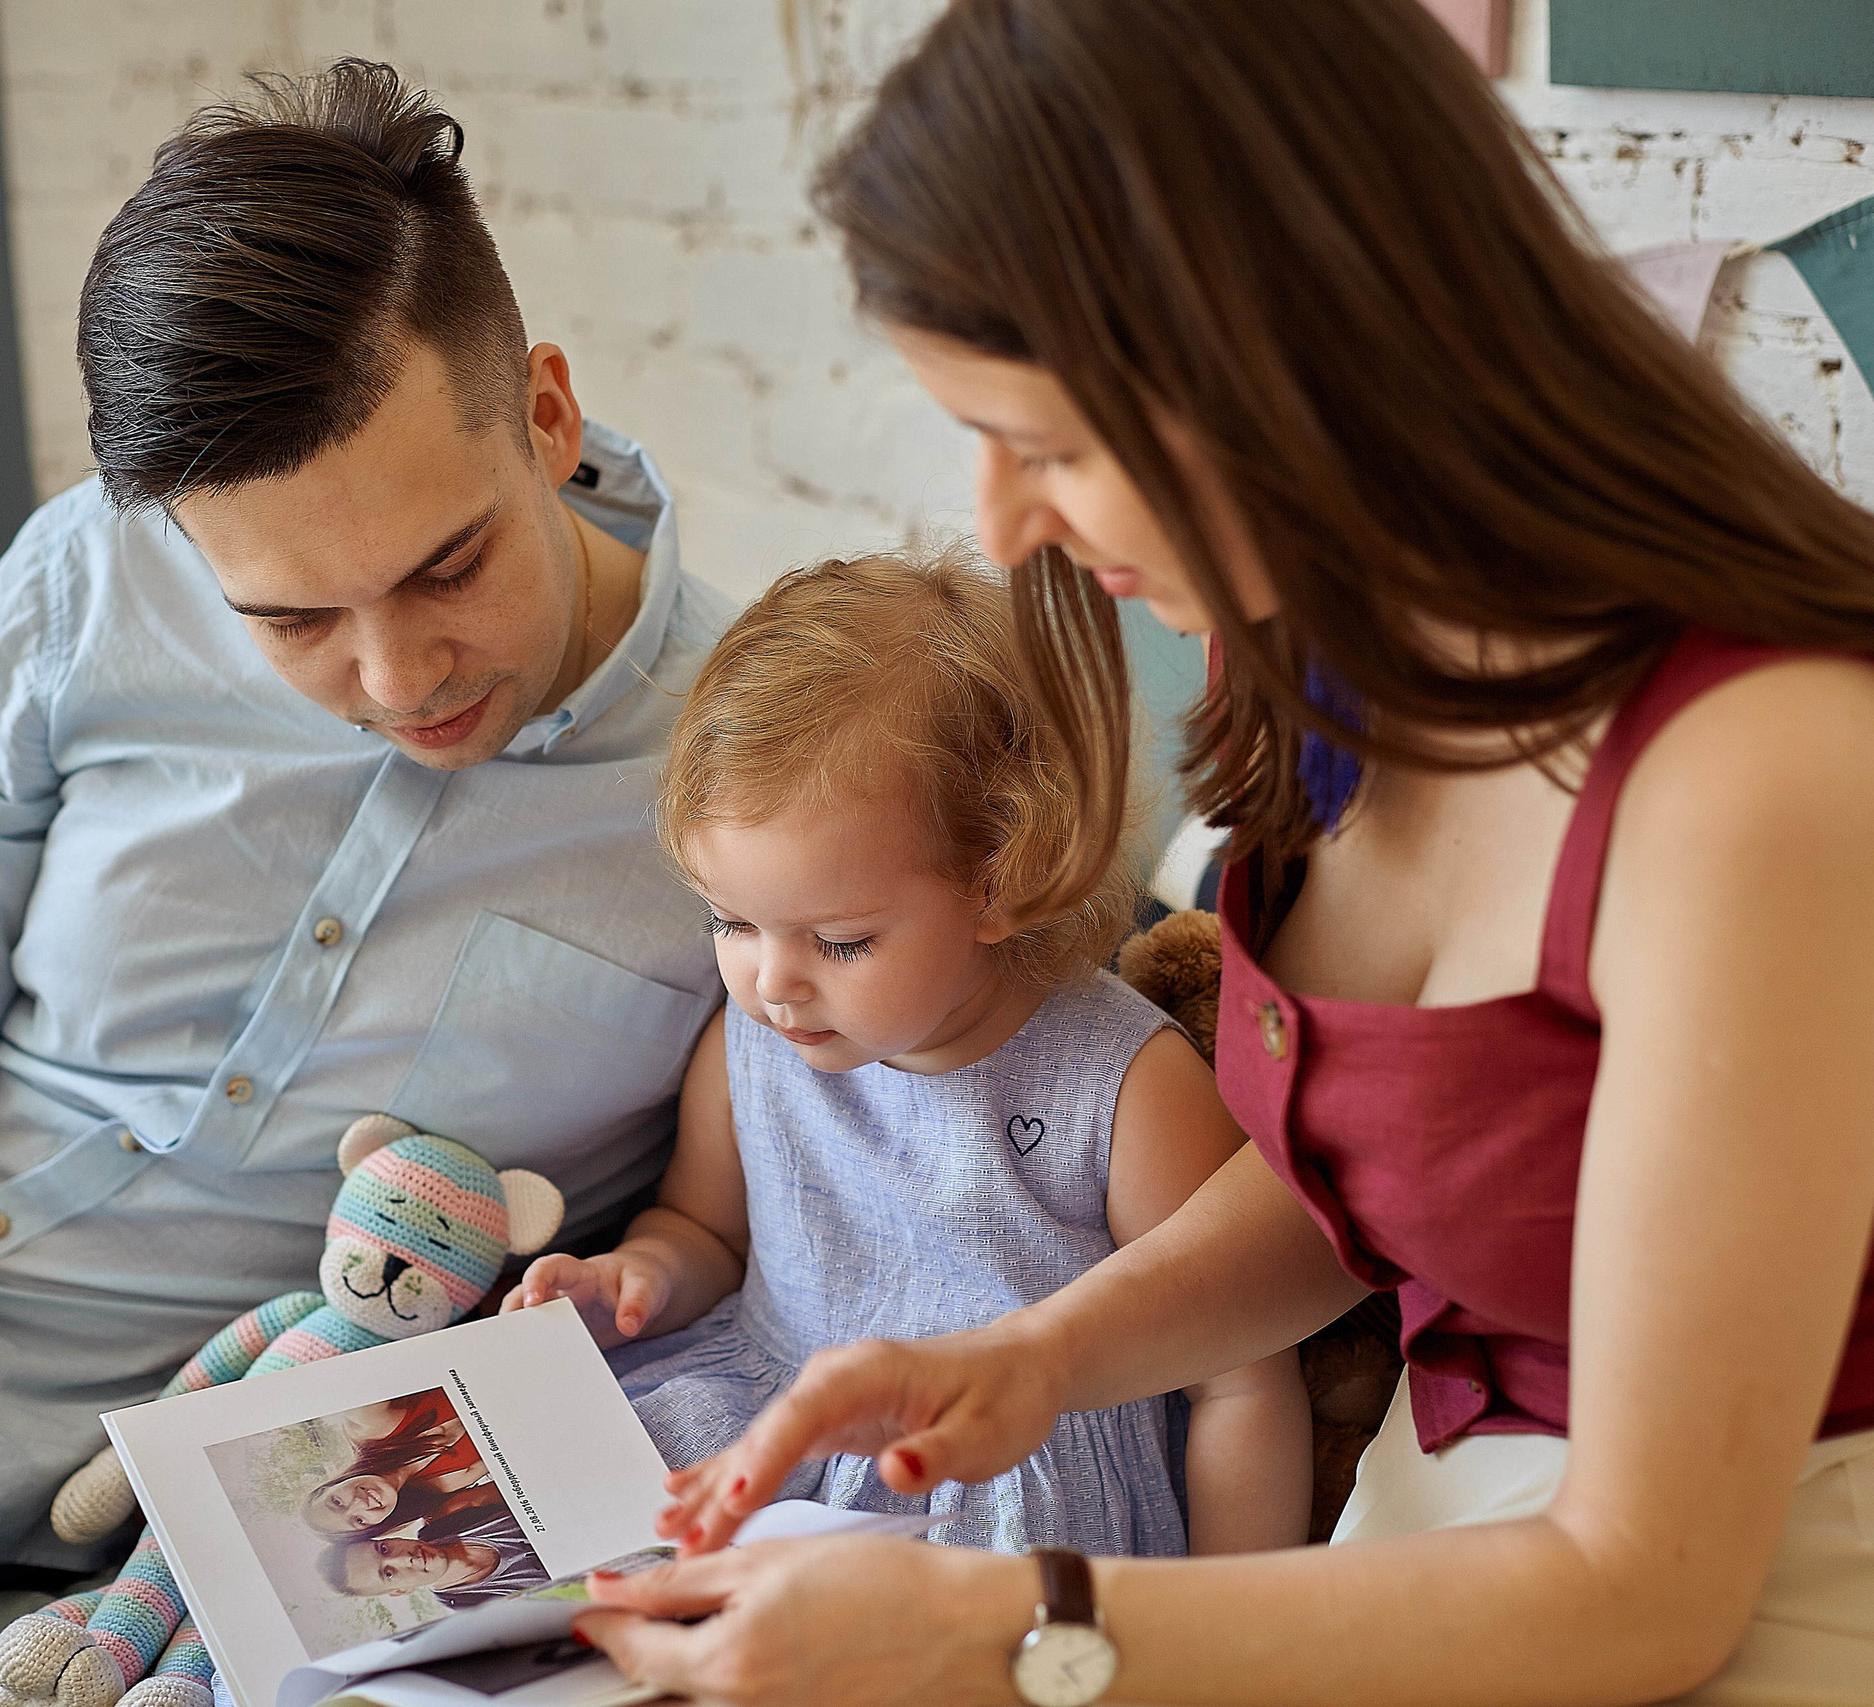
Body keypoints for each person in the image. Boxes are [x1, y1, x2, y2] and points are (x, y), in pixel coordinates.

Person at [570, 3, 1874, 1704]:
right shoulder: (1309, 636)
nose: (1001, 527)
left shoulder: (1767, 778)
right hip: (1486, 1491)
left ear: (1283, 367)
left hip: (1841, 1528)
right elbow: (1378, 1162)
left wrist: (998, 1637)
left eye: (1052, 447)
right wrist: (1031, 1356)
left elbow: (1651, 1592)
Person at [0, 60, 733, 1707]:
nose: (395, 674)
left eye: (447, 564)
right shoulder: (89, 573)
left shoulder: (763, 769)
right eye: (292, 619)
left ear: (545, 410)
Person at [504, 549, 1310, 1557]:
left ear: (1003, 877)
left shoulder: (1123, 1088)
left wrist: (1226, 1638)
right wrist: (639, 1277)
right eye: (732, 922)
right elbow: (704, 1232)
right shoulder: (757, 1038)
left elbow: (1239, 1379)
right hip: (751, 1427)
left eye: (839, 941)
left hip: (989, 1497)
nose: (772, 981)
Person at [301, 1395, 484, 1536]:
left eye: (337, 1502)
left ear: (332, 1484)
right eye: (359, 1520)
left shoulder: (366, 1426)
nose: (360, 1504)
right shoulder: (443, 1486)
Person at [322, 1506, 551, 1607]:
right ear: (401, 1591)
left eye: (384, 1549)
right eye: (389, 1573)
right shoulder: (475, 1612)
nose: (405, 1559)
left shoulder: (449, 1514)